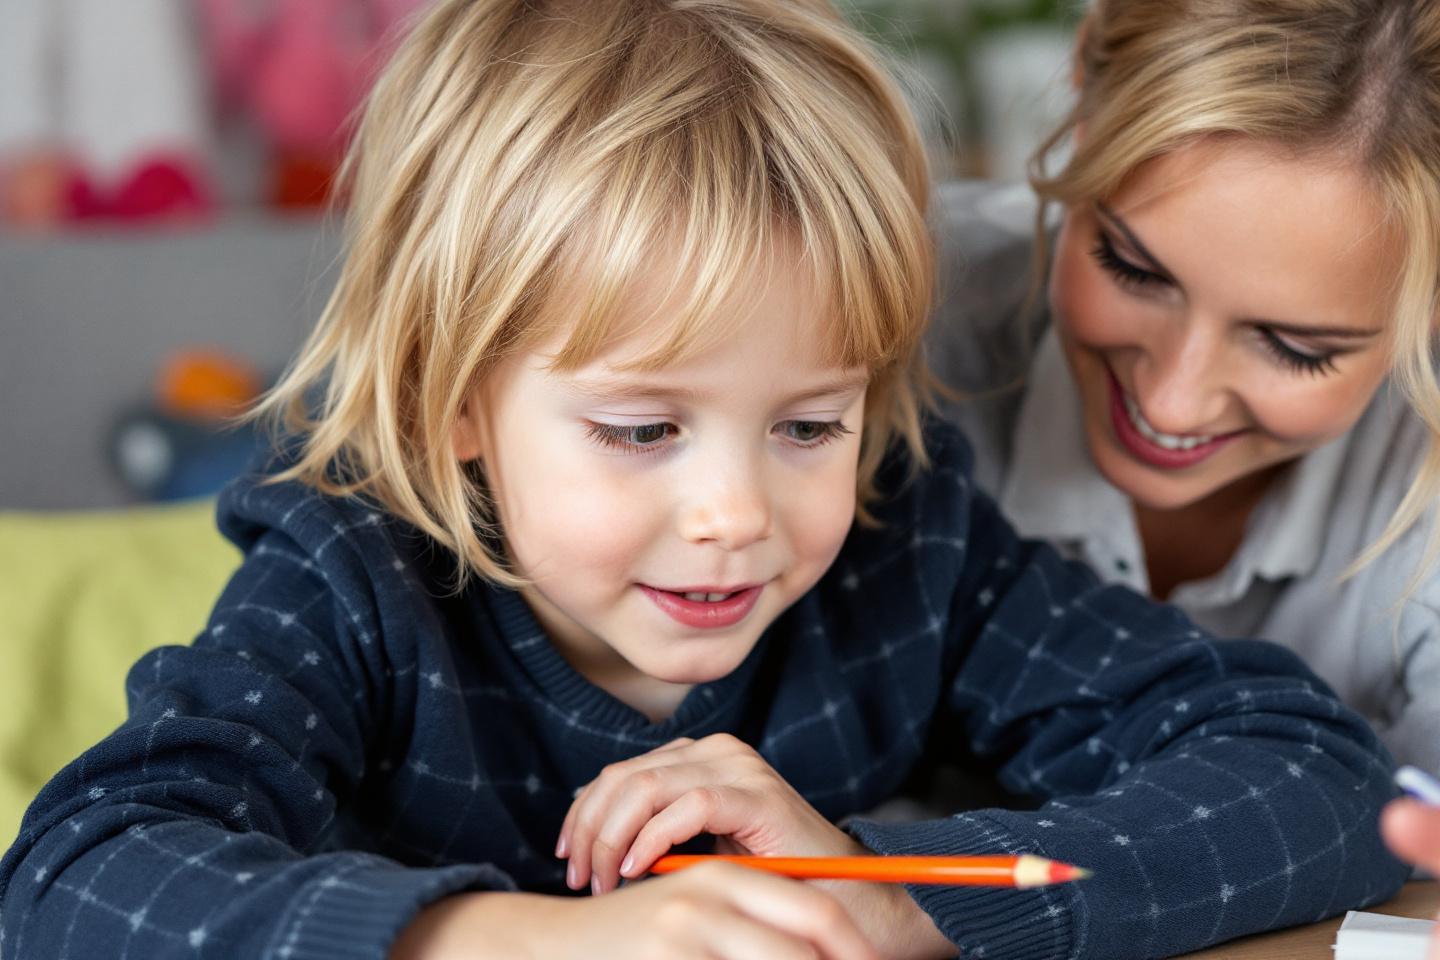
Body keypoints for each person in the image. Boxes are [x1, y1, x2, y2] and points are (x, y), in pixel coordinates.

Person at [0, 1, 1409, 958]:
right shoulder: (353, 577)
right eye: (640, 429)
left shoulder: (905, 546)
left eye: (808, 423)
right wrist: (524, 939)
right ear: (452, 403)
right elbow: (77, 878)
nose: (739, 515)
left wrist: (899, 897)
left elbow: (1311, 776)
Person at [927, 0, 1440, 774]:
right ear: (1081, 111)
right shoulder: (883, 321)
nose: (1171, 402)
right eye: (1131, 268)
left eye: (1295, 348)